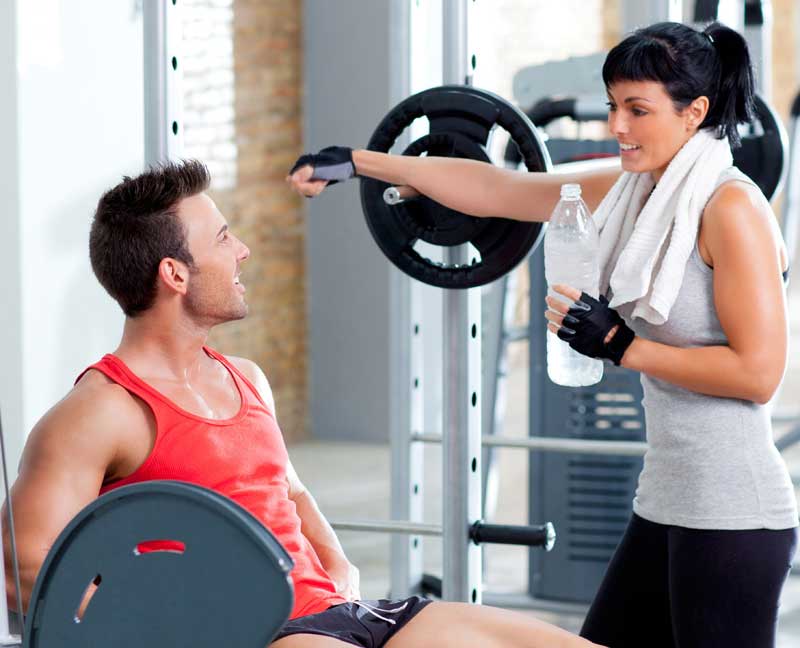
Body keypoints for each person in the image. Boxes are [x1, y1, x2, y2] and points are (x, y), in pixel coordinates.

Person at [287, 21, 798, 648]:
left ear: (694, 112)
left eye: (638, 110)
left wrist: (620, 346)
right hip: (667, 498)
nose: (618, 126)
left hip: (733, 512)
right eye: (614, 106)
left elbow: (759, 373)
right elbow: (501, 189)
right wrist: (358, 163)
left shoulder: (729, 209)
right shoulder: (637, 188)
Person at [3, 160, 603, 648]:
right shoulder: (100, 412)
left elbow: (288, 492)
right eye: (222, 238)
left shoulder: (246, 378)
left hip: (350, 615)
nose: (241, 251)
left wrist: (337, 563)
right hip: (264, 635)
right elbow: (30, 577)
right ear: (174, 274)